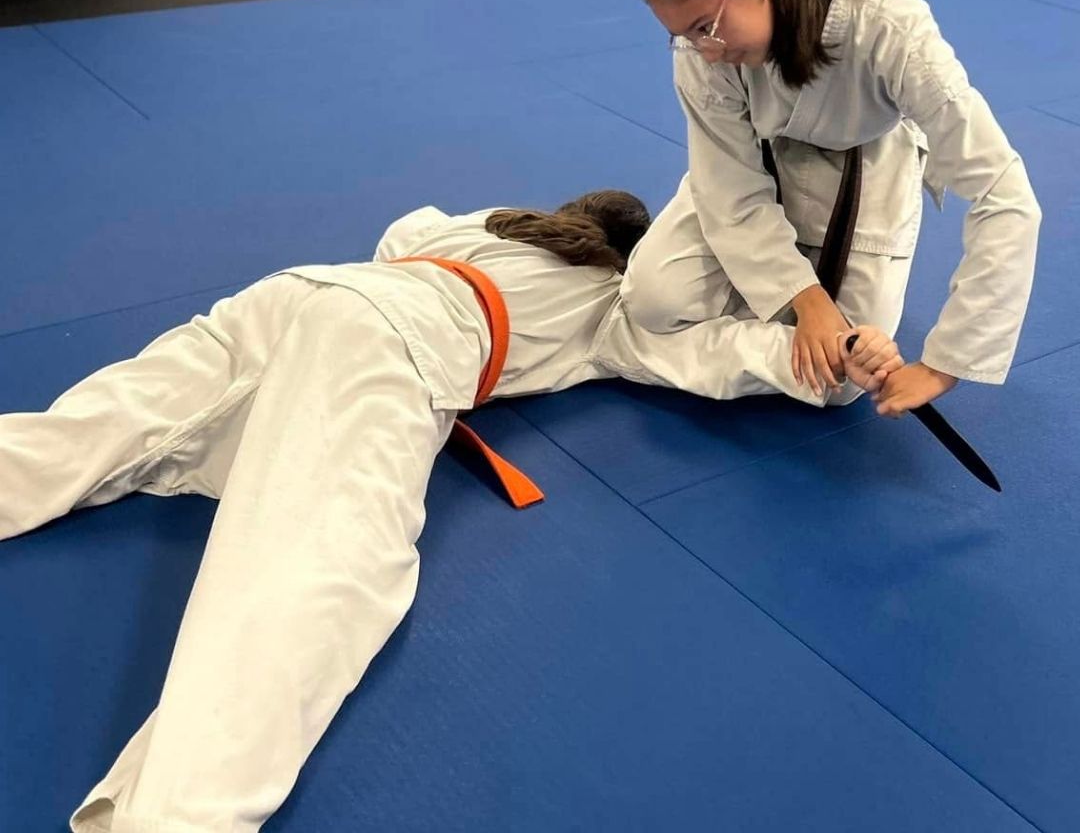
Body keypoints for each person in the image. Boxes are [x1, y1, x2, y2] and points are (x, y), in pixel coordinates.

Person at [0, 187, 900, 833]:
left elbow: (404, 229)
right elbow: (730, 352)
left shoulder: (490, 224)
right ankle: (175, 817)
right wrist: (832, 359)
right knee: (324, 561)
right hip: (388, 343)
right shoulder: (621, 308)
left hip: (301, 292)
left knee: (96, 426)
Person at [624, 0, 1041, 416]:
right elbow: (728, 188)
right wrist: (807, 299)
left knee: (837, 385)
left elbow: (1002, 193)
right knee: (651, 302)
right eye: (684, 35)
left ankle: (652, 347)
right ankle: (642, 342)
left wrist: (945, 364)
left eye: (707, 26)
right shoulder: (704, 52)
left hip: (870, 158)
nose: (703, 52)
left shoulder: (887, 24)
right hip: (763, 158)